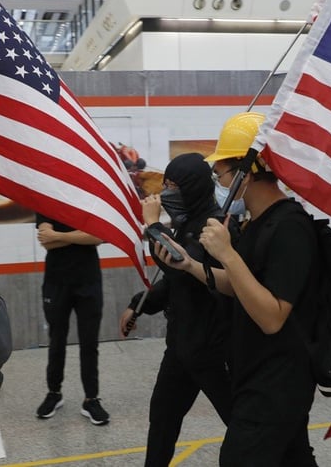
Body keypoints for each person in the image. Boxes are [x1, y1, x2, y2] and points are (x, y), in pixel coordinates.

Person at [155, 112, 320, 467]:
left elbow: (273, 316)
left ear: (249, 169)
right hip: (251, 369)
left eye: (222, 172)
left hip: (279, 380)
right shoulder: (257, 224)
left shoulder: (290, 228)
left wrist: (227, 252)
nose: (219, 181)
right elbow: (241, 286)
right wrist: (191, 265)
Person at [119, 152, 235, 467]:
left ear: (194, 187)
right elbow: (174, 282)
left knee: (241, 427)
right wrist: (138, 306)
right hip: (181, 349)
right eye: (166, 183)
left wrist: (153, 224)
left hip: (213, 351)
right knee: (162, 422)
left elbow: (181, 264)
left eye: (174, 185)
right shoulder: (185, 222)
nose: (168, 191)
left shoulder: (214, 225)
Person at [34, 213, 110, 425]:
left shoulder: (87, 203)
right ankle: (54, 393)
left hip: (89, 281)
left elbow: (97, 237)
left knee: (89, 343)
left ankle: (91, 399)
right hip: (56, 282)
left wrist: (58, 236)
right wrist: (80, 236)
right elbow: (46, 242)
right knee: (56, 340)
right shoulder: (46, 203)